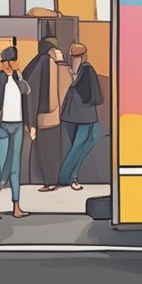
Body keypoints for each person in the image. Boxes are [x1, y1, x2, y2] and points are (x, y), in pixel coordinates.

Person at [0, 38, 35, 219]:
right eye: (5, 61)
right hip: (1, 127)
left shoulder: (19, 80)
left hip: (18, 126)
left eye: (8, 61)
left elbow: (26, 101)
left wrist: (29, 125)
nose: (6, 65)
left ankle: (16, 205)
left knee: (15, 167)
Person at [54, 42, 102, 191]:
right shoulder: (78, 71)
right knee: (77, 146)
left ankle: (68, 177)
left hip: (81, 116)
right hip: (78, 116)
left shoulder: (85, 70)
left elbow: (92, 94)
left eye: (74, 56)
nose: (72, 58)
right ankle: (68, 177)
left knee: (81, 144)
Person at [22, 39, 64, 188]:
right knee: (50, 151)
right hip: (50, 117)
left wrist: (30, 121)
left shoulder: (36, 63)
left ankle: (49, 181)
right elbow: (53, 93)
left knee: (44, 152)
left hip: (40, 117)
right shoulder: (48, 62)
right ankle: (51, 181)